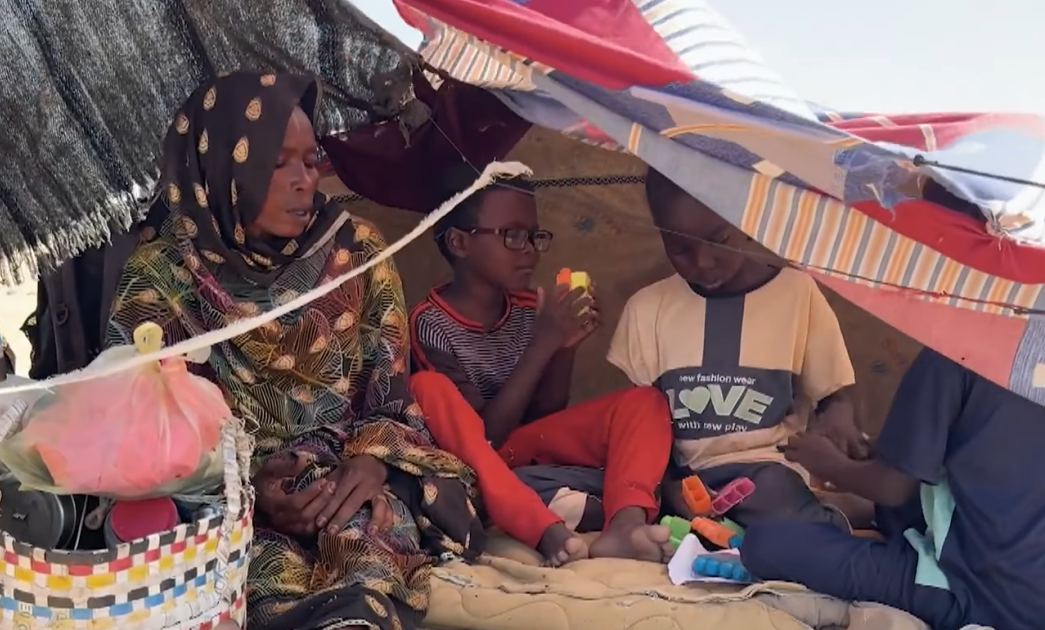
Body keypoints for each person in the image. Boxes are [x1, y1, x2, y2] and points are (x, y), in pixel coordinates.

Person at [107, 71, 484, 630]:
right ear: (220, 167)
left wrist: (370, 465)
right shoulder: (160, 276)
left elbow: (390, 396)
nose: (304, 180)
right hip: (225, 503)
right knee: (245, 574)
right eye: (277, 162)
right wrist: (249, 494)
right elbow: (139, 436)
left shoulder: (355, 252)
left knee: (371, 537)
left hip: (346, 474)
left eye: (310, 161)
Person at [407, 166, 675, 566]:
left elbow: (545, 419)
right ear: (459, 242)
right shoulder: (430, 322)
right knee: (427, 387)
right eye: (512, 235)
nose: (530, 249)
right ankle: (543, 520)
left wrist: (564, 347)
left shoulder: (531, 307)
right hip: (477, 463)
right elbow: (484, 439)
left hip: (526, 454)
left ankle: (624, 525)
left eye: (535, 236)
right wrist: (542, 344)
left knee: (645, 401)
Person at [742, 347, 1045, 630]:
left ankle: (871, 531)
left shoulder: (953, 357)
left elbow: (893, 488)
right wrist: (877, 455)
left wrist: (827, 463)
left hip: (995, 595)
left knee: (766, 543)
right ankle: (864, 515)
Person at [609, 167, 870, 529]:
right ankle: (819, 521)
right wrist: (667, 488)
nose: (703, 262)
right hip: (689, 481)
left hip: (772, 471)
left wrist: (837, 424)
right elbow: (639, 427)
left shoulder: (796, 293)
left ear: (748, 218)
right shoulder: (646, 309)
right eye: (680, 249)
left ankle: (828, 517)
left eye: (718, 239)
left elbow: (835, 395)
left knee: (771, 495)